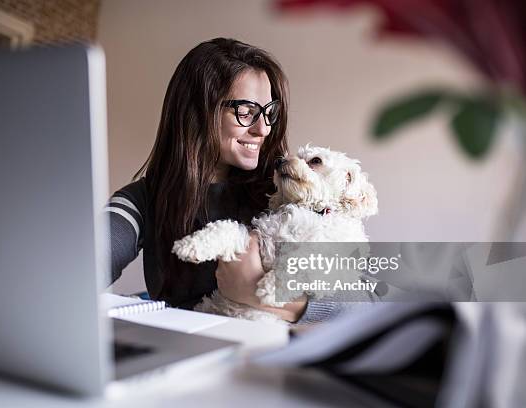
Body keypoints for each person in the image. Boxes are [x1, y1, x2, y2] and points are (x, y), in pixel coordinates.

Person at [107, 38, 373, 323]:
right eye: (246, 111)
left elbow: (372, 300)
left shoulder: (287, 189)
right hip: (191, 356)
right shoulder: (143, 200)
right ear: (199, 112)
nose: (264, 128)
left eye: (269, 112)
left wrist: (262, 295)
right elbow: (82, 264)